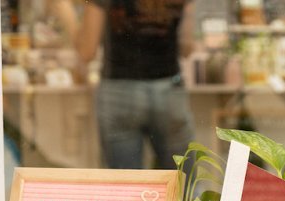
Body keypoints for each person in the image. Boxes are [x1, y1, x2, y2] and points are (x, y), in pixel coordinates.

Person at [72, 0, 196, 169]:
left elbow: (87, 51)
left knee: (126, 187)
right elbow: (186, 47)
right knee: (183, 185)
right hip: (168, 89)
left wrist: (63, 11)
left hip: (119, 90)